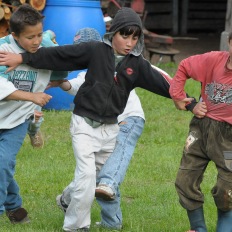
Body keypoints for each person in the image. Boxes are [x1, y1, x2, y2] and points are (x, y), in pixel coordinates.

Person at [0, 7, 198, 231]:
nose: (129, 42)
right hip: (84, 123)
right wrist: (22, 57)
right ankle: (76, 227)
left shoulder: (138, 64)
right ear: (112, 33)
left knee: (100, 180)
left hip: (110, 129)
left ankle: (98, 217)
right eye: (124, 35)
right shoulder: (95, 50)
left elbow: (164, 84)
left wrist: (189, 101)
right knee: (85, 178)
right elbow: (58, 55)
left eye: (135, 37)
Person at [0, 4, 67, 224]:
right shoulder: (3, 50)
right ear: (14, 36)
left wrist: (56, 81)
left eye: (39, 34)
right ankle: (15, 207)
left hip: (18, 118)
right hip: (6, 110)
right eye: (30, 37)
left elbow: (63, 63)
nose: (36, 41)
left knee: (2, 162)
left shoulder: (45, 46)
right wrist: (33, 97)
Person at [169, 32, 232, 232]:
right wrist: (183, 100)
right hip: (201, 130)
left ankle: (226, 223)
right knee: (185, 180)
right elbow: (184, 66)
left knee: (227, 188)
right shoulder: (213, 60)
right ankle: (198, 228)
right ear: (230, 42)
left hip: (229, 140)